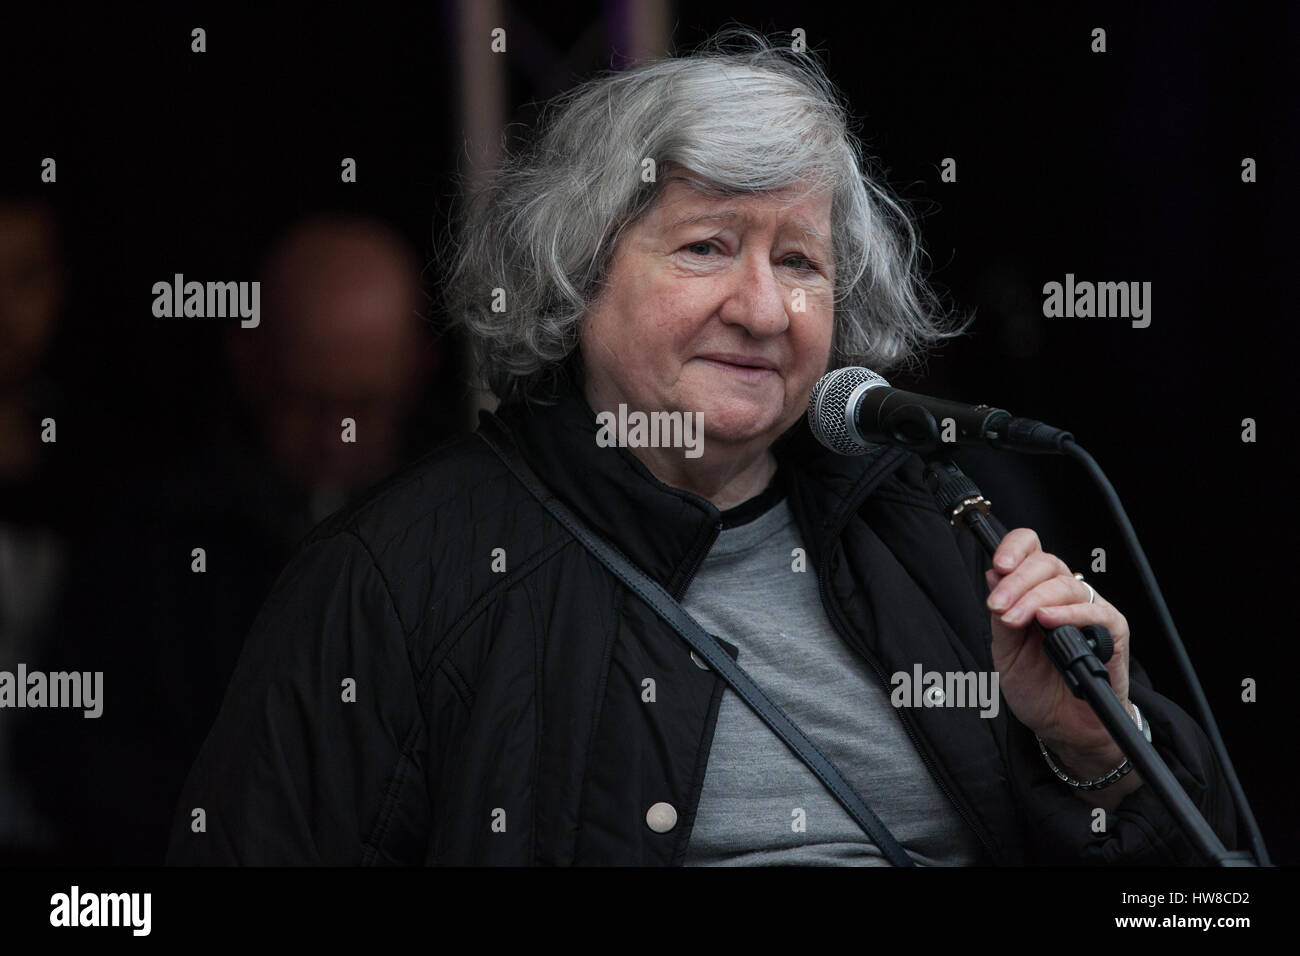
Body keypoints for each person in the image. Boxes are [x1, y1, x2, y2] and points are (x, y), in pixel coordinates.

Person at [167, 29, 1236, 865]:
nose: (764, 308)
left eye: (801, 261)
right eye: (707, 246)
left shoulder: (943, 529)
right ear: (581, 272)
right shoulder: (398, 577)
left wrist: (1094, 750)